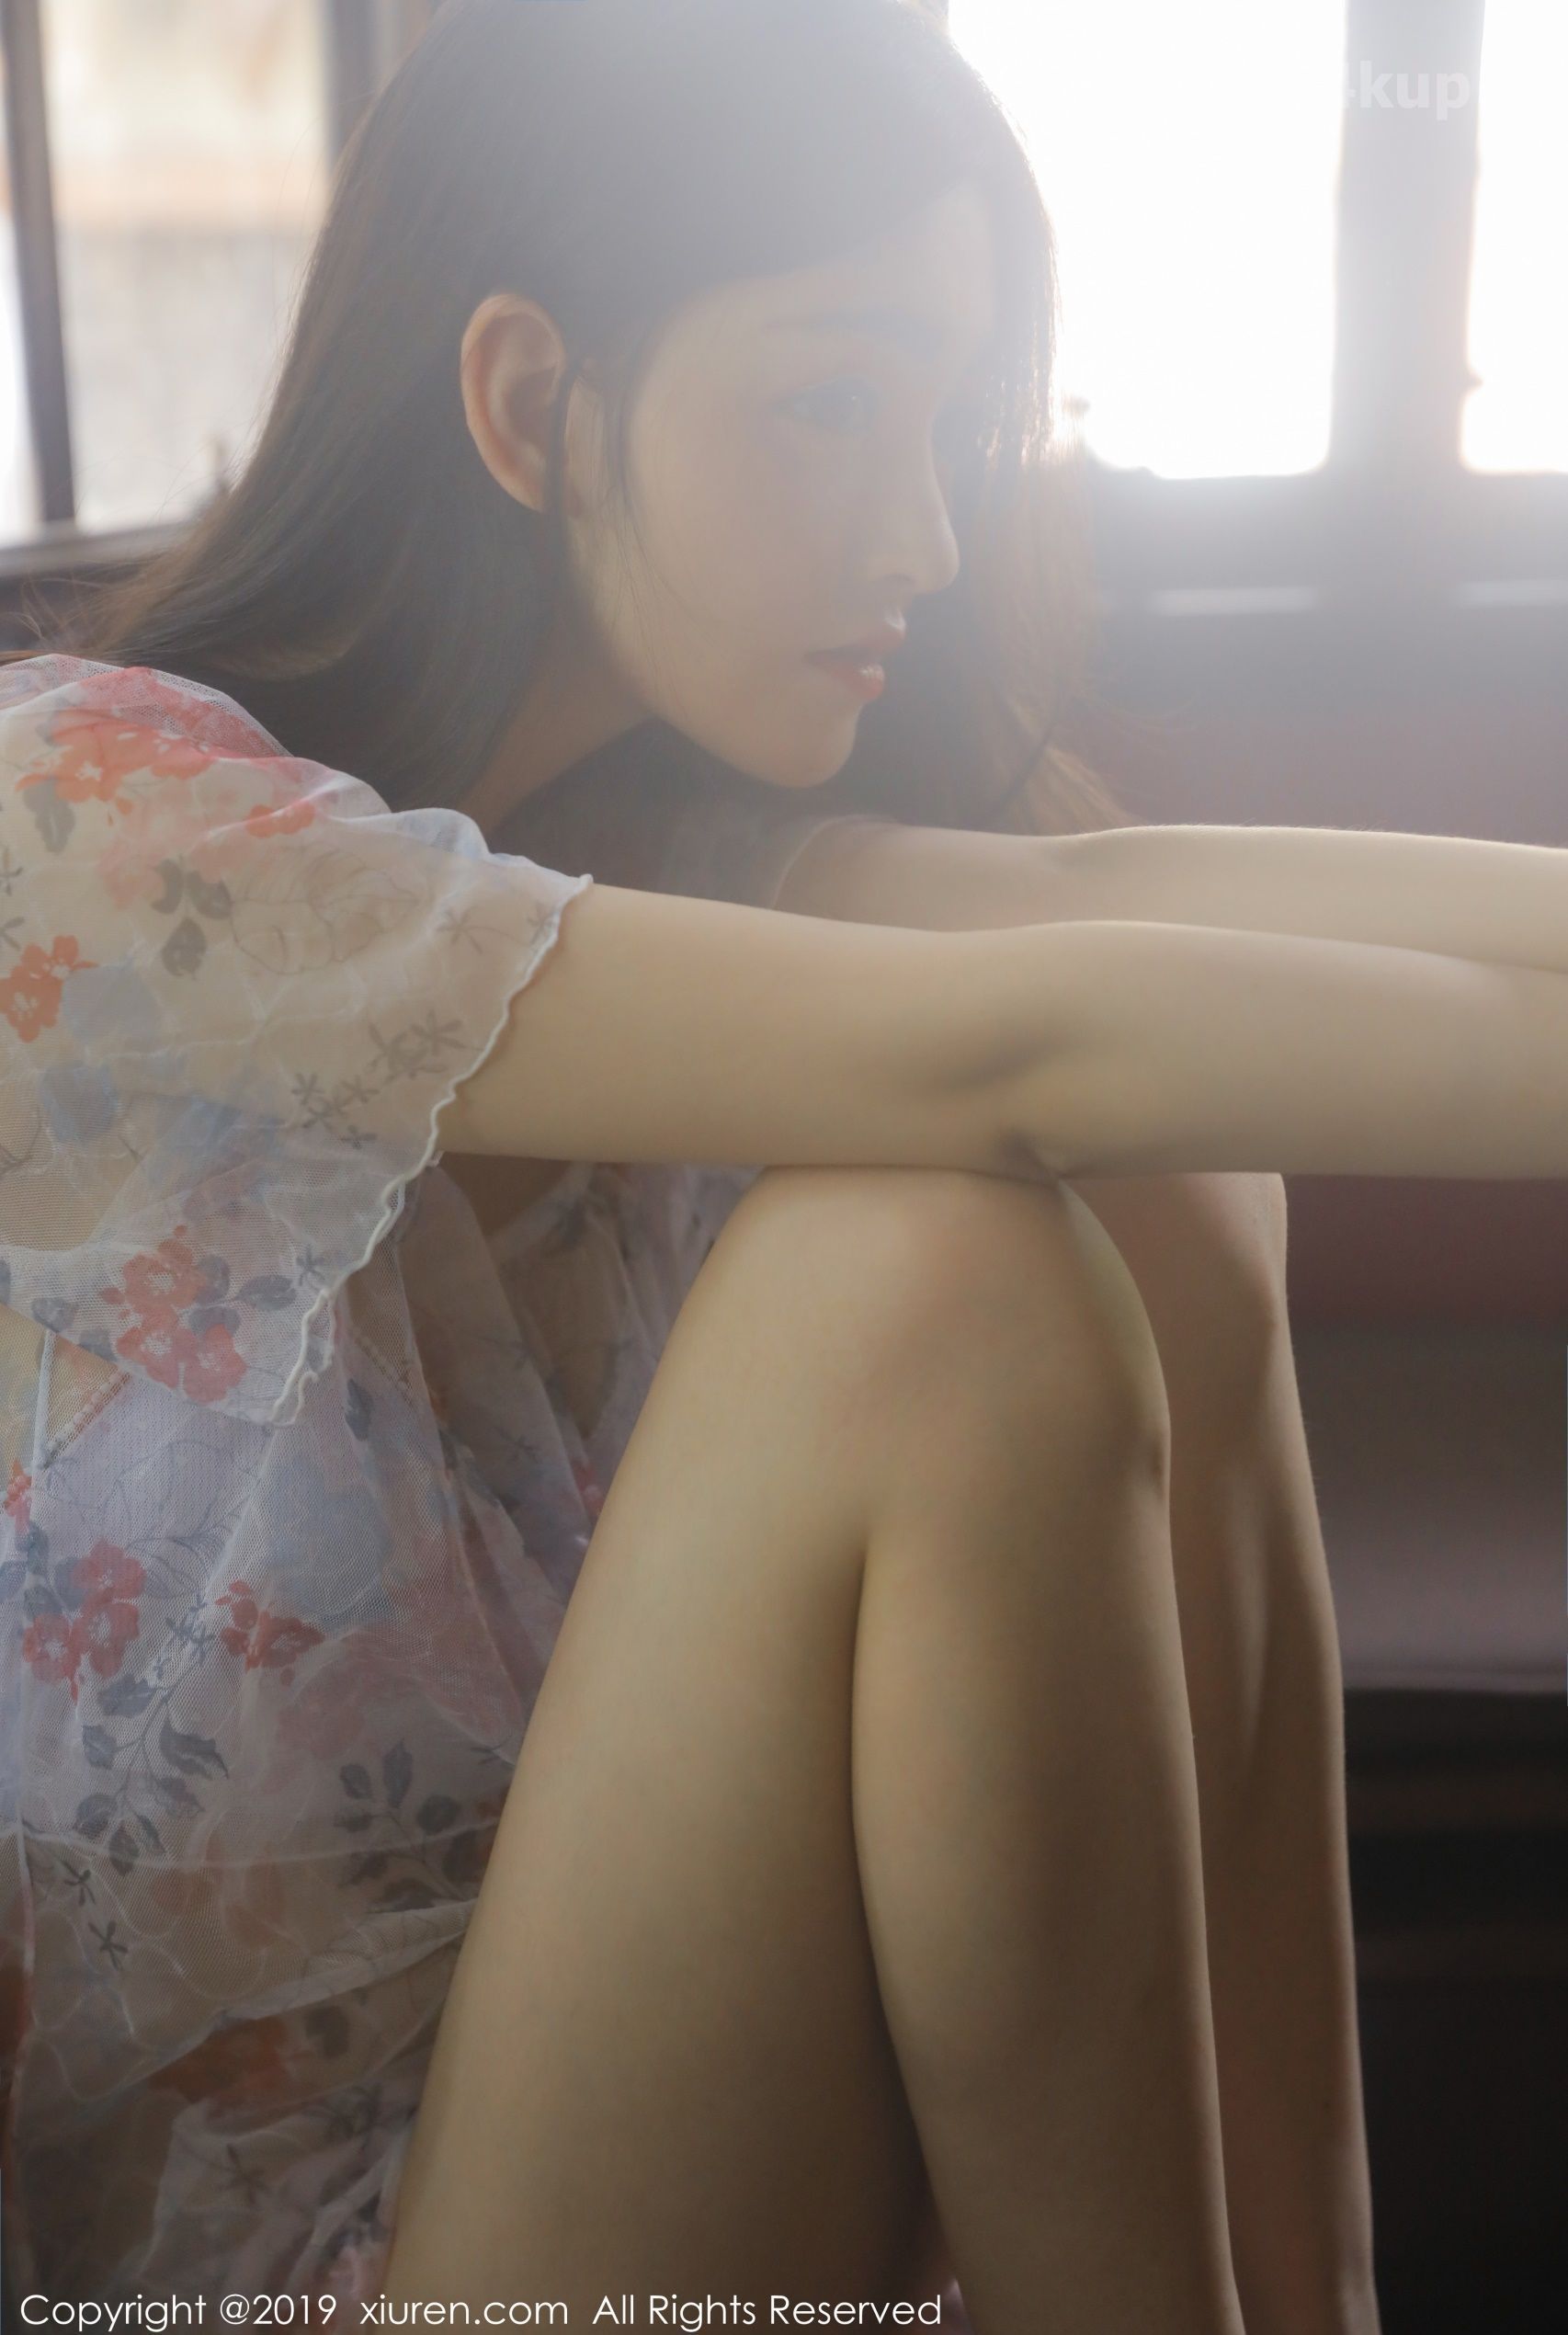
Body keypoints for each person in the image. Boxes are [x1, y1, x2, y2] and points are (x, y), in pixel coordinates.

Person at [2, 3, 1565, 2326]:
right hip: (259, 2273)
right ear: (529, 403)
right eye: (830, 405)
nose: (923, 534)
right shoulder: (83, 834)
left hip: (635, 2162)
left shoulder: (638, 842)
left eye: (942, 419)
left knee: (1175, 1187)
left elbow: (1097, 909)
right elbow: (1021, 1038)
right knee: (934, 1280)